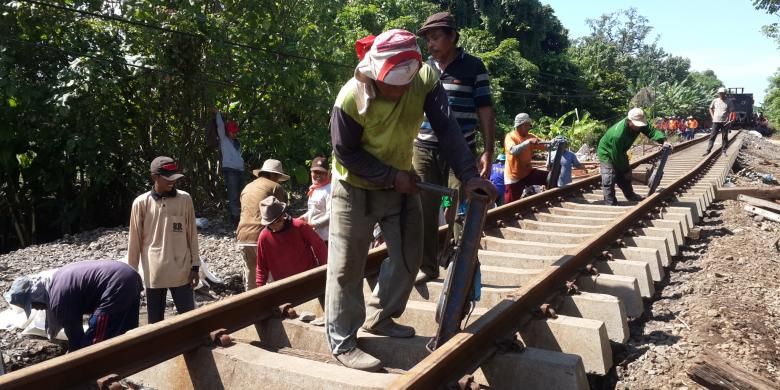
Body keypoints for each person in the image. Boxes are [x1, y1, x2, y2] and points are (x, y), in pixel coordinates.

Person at [325, 29, 497, 372]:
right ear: (376, 71)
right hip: (354, 186)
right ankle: (343, 342)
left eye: (405, 82)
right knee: (347, 265)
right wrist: (391, 177)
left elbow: (447, 129)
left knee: (410, 255)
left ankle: (381, 318)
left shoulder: (426, 79)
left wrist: (468, 174)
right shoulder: (350, 98)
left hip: (400, 179)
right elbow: (345, 153)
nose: (400, 90)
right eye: (393, 83)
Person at [412, 12, 496, 283]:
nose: (431, 44)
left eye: (436, 38)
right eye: (428, 39)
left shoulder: (473, 67)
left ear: (452, 36)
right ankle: (428, 266)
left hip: (460, 154)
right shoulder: (424, 68)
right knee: (425, 208)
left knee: (458, 208)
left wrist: (488, 150)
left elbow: (485, 110)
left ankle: (464, 265)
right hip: (424, 151)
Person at [4, 260, 143, 352]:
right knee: (127, 331)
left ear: (35, 296)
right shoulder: (55, 281)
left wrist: (72, 359)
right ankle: (129, 362)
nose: (37, 309)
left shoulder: (59, 300)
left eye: (33, 305)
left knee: (93, 344)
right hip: (129, 275)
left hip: (117, 284)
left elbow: (76, 336)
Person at [128, 156, 200, 324]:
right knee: (155, 323)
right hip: (154, 273)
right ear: (155, 177)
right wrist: (131, 275)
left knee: (189, 319)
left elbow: (192, 234)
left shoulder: (185, 199)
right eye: (167, 179)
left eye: (174, 178)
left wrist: (195, 266)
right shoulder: (141, 203)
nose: (172, 182)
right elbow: (134, 242)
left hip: (181, 271)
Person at [597, 108, 671, 206]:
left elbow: (651, 131)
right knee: (609, 177)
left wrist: (663, 140)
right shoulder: (618, 135)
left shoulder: (640, 125)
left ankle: (630, 195)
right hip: (606, 152)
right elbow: (616, 155)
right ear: (629, 121)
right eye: (636, 125)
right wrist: (625, 170)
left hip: (620, 151)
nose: (638, 127)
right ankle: (610, 203)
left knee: (625, 178)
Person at [236, 159, 289, 292]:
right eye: (278, 177)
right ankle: (276, 307)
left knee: (251, 275)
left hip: (243, 237)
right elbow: (280, 214)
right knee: (271, 276)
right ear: (274, 175)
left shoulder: (247, 187)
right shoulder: (275, 187)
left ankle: (251, 306)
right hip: (263, 236)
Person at [256, 196, 327, 287]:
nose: (274, 226)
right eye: (270, 223)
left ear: (283, 216)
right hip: (284, 285)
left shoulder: (299, 226)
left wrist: (323, 270)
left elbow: (319, 246)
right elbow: (261, 266)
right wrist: (260, 287)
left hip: (308, 279)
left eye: (277, 221)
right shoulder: (264, 237)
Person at [503, 113, 547, 203]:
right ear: (519, 125)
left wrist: (554, 143)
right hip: (514, 177)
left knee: (549, 177)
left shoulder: (530, 136)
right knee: (510, 205)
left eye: (529, 126)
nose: (528, 128)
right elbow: (513, 151)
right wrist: (528, 142)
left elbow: (545, 145)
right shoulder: (510, 137)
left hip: (527, 173)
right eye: (526, 125)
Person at [215, 111, 245, 226]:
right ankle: (235, 217)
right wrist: (218, 114)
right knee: (233, 195)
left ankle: (240, 215)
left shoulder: (237, 142)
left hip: (240, 170)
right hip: (230, 170)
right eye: (232, 132)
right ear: (228, 132)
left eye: (235, 132)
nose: (234, 134)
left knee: (241, 194)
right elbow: (220, 126)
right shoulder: (224, 139)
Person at [298, 156, 331, 243]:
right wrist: (303, 218)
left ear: (327, 173)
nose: (318, 175)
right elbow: (313, 210)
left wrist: (313, 224)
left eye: (321, 172)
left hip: (326, 238)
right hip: (314, 235)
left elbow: (331, 215)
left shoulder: (329, 189)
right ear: (311, 172)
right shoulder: (315, 189)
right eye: (315, 172)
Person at [704, 87, 732, 156]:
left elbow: (731, 111)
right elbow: (710, 108)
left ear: (725, 94)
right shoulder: (715, 100)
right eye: (720, 93)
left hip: (725, 122)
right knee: (712, 136)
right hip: (716, 121)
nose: (721, 94)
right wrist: (713, 117)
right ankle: (708, 150)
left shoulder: (729, 101)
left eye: (723, 93)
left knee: (724, 137)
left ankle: (724, 151)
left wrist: (729, 120)